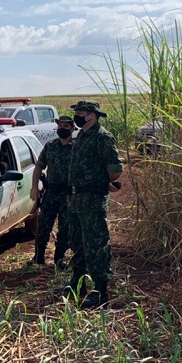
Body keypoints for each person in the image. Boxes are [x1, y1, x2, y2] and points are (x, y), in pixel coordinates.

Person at [60, 100, 122, 309]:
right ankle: (78, 282)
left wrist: (101, 180)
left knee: (96, 244)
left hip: (92, 200)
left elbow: (115, 170)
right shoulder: (82, 136)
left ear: (92, 116)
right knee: (78, 243)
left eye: (80, 113)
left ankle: (100, 290)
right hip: (76, 200)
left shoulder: (102, 137)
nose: (77, 116)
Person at [30, 115, 76, 268]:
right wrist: (34, 187)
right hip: (50, 193)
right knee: (43, 225)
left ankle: (59, 258)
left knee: (65, 228)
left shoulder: (77, 148)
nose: (62, 129)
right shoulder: (50, 146)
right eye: (60, 126)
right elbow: (39, 166)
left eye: (66, 126)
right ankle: (38, 256)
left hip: (68, 195)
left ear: (72, 128)